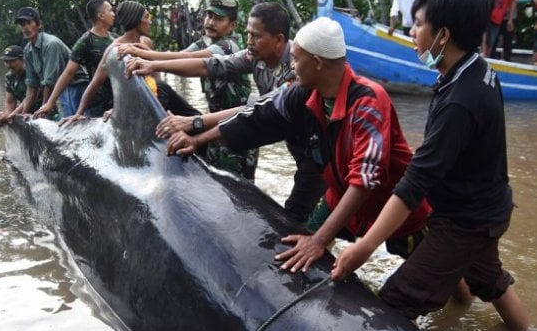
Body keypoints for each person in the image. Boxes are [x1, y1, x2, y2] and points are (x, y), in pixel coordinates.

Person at [333, 0, 529, 331]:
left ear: (443, 35)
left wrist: (364, 246)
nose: (412, 32)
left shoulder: (460, 101)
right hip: (488, 207)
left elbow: (415, 182)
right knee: (489, 281)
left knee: (394, 302)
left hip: (466, 221)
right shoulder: (474, 67)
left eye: (419, 24)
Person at [164, 17, 430, 272]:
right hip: (338, 199)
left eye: (296, 58)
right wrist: (196, 137)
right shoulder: (304, 93)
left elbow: (363, 181)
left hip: (392, 208)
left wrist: (318, 242)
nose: (291, 67)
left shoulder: (369, 102)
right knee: (297, 244)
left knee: (440, 281)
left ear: (316, 63)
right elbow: (256, 116)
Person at [127, 2, 325, 221]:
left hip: (317, 152)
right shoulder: (255, 57)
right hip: (278, 135)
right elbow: (210, 65)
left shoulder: (296, 70)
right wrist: (154, 64)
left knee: (298, 219)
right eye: (248, 34)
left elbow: (257, 109)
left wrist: (195, 123)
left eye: (256, 36)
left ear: (278, 40)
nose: (249, 42)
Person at [119, 0, 256, 179]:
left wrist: (142, 54)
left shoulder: (229, 46)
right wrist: (143, 54)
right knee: (215, 178)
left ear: (232, 26)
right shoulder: (204, 42)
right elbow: (179, 56)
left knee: (238, 185)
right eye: (209, 17)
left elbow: (193, 60)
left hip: (238, 124)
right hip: (214, 122)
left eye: (219, 19)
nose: (211, 22)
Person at [60, 0, 200, 125]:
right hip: (135, 104)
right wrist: (79, 113)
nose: (150, 21)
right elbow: (95, 83)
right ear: (136, 21)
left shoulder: (146, 42)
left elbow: (156, 79)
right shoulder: (114, 50)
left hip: (157, 95)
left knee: (196, 118)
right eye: (146, 17)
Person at [34, 0, 116, 119]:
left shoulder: (114, 39)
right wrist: (50, 103)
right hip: (99, 104)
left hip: (117, 99)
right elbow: (68, 73)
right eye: (110, 11)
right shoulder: (85, 41)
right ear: (101, 16)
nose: (114, 14)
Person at [14, 6, 79, 118]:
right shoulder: (28, 50)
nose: (25, 28)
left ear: (39, 24)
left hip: (77, 86)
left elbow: (49, 82)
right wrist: (23, 114)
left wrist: (43, 109)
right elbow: (32, 86)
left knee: (76, 125)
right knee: (67, 125)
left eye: (29, 23)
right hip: (62, 91)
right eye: (22, 24)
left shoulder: (51, 44)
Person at [0, 44, 58, 121]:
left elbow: (31, 96)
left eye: (12, 61)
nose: (9, 65)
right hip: (26, 114)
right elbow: (10, 102)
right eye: (6, 62)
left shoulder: (34, 73)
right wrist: (8, 117)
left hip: (45, 113)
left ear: (23, 59)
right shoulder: (9, 77)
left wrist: (15, 114)